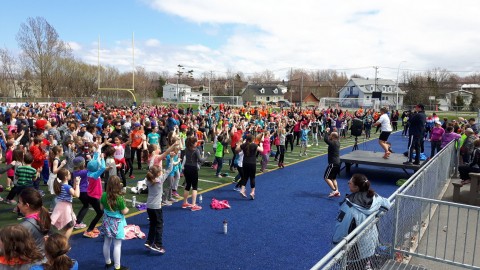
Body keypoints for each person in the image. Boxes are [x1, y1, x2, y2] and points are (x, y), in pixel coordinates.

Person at [332, 174, 391, 269]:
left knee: (352, 265)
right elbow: (387, 204)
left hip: (356, 247)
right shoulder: (375, 197)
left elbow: (341, 229)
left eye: (350, 182)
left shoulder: (348, 206)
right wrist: (377, 213)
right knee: (365, 262)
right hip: (371, 239)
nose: (348, 183)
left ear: (356, 187)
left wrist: (335, 245)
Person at [145, 162, 175, 254]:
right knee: (159, 225)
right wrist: (172, 158)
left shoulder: (148, 180)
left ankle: (149, 241)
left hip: (149, 206)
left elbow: (151, 168)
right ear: (158, 174)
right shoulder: (160, 179)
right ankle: (158, 244)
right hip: (156, 207)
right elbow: (169, 169)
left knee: (152, 224)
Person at [100, 176, 129, 270]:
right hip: (117, 223)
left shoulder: (104, 195)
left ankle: (108, 262)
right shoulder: (119, 198)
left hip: (106, 220)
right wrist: (127, 209)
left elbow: (101, 208)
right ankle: (117, 267)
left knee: (107, 242)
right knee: (117, 244)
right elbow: (124, 211)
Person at [18, 188, 51, 257]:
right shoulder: (43, 215)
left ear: (27, 206)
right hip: (43, 255)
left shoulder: (25, 226)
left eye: (19, 202)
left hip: (33, 259)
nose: (18, 205)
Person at [83, 143, 106, 238]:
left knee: (100, 211)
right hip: (94, 197)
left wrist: (97, 151)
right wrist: (103, 158)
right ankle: (89, 229)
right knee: (100, 213)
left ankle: (92, 228)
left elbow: (93, 161)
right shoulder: (95, 175)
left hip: (89, 195)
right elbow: (103, 167)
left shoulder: (88, 172)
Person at [50, 168, 80, 240]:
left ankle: (61, 240)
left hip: (59, 206)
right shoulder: (67, 187)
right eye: (69, 174)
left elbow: (71, 192)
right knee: (71, 225)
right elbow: (77, 194)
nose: (70, 175)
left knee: (65, 226)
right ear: (66, 177)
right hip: (65, 207)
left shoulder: (60, 185)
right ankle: (64, 242)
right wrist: (77, 184)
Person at [182, 137, 210, 211]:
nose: (196, 143)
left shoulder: (186, 149)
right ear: (193, 143)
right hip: (193, 168)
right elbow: (201, 160)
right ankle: (193, 205)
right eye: (195, 142)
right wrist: (207, 155)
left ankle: (185, 202)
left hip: (186, 168)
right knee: (194, 187)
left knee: (187, 185)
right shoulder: (196, 150)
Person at [236, 134, 264, 200]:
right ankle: (252, 192)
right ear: (252, 139)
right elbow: (261, 150)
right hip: (252, 163)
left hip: (245, 163)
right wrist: (261, 144)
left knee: (245, 177)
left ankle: (242, 190)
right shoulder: (254, 145)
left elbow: (237, 149)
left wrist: (240, 143)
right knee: (252, 177)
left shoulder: (244, 145)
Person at [324, 128, 341, 197]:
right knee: (333, 178)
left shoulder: (333, 143)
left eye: (331, 135)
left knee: (326, 178)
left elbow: (326, 139)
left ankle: (334, 191)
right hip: (338, 163)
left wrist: (326, 131)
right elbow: (330, 139)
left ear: (333, 137)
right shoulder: (337, 142)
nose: (329, 136)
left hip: (333, 163)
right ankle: (337, 191)